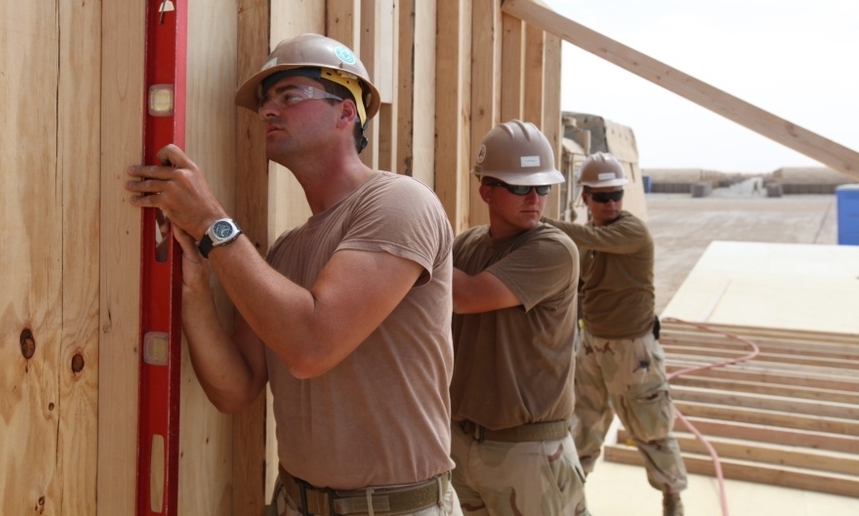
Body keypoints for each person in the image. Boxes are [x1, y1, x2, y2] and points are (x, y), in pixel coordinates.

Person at [126, 33, 460, 516]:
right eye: (266, 101)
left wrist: (211, 224)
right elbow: (234, 388)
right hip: (294, 503)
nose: (268, 111)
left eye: (290, 95)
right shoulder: (284, 254)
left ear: (347, 113)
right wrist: (195, 290)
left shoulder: (399, 203)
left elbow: (311, 345)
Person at [449, 119, 589, 516]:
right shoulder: (467, 246)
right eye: (519, 186)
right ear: (486, 191)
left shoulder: (553, 249)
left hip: (529, 451)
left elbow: (465, 295)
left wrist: (409, 240)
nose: (535, 197)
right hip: (462, 441)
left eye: (543, 186)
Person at [543, 152, 688, 516]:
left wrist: (535, 220)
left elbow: (585, 235)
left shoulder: (630, 231)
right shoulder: (591, 240)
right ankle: (574, 498)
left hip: (632, 350)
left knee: (651, 429)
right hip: (593, 344)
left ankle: (672, 497)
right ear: (586, 197)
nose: (611, 203)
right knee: (583, 427)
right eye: (602, 196)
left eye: (616, 195)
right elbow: (579, 285)